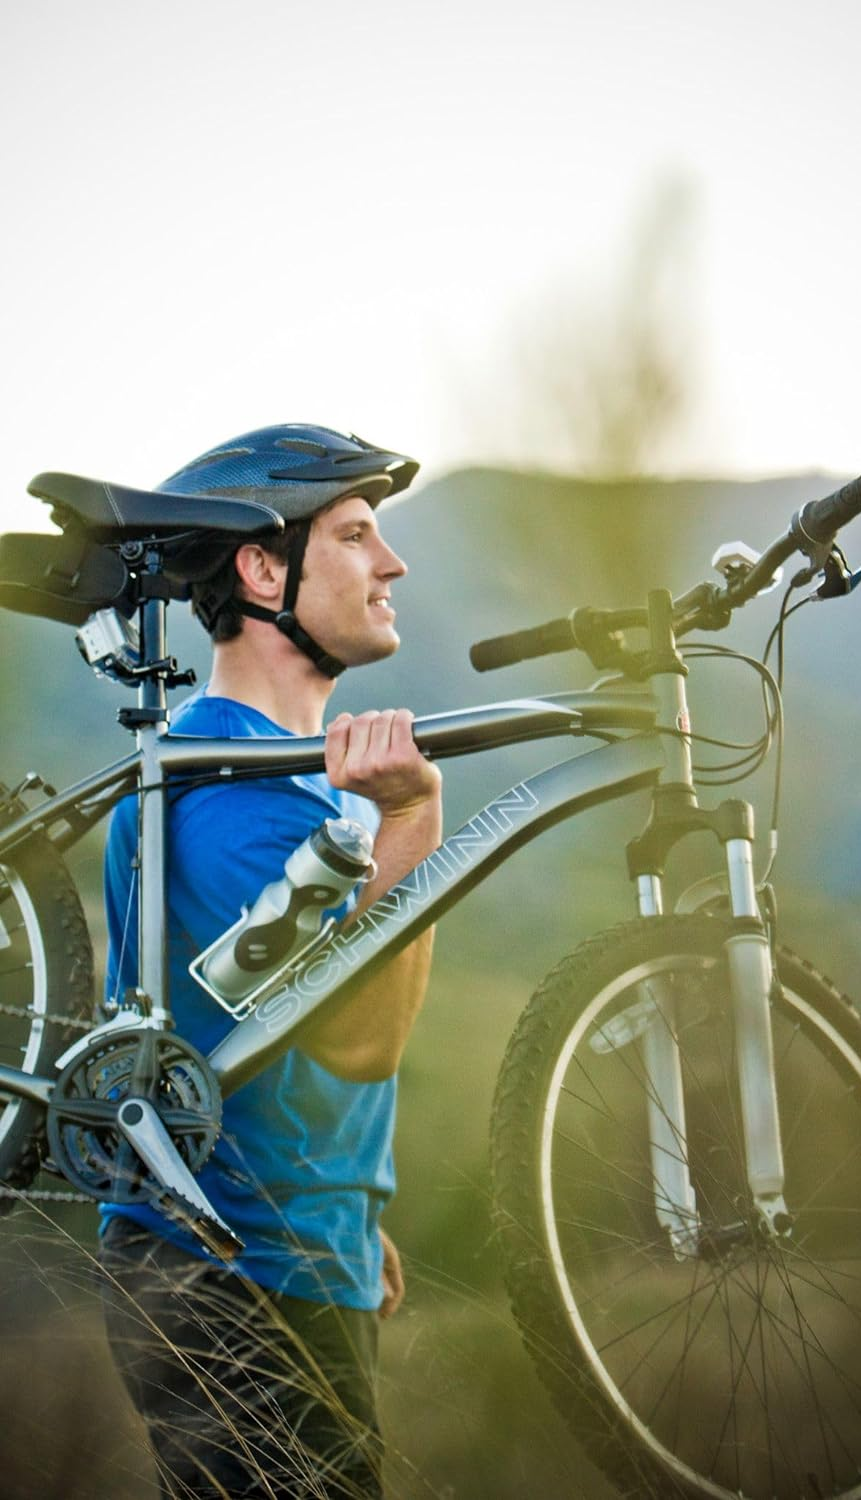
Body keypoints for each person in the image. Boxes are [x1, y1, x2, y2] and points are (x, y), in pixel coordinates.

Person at [98, 424, 442, 1499]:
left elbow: (278, 1036)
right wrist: (415, 825)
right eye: (355, 534)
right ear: (260, 566)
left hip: (294, 1258)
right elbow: (354, 1036)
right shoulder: (224, 793)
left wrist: (345, 1216)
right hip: (226, 1269)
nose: (391, 564)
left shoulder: (300, 792)